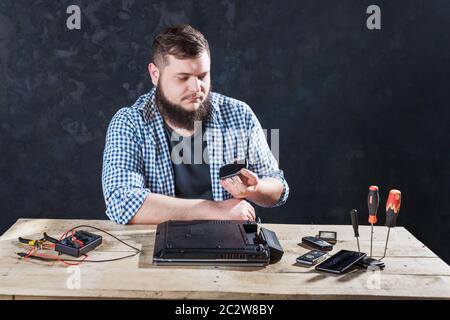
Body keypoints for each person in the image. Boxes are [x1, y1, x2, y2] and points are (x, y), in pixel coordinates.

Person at [102, 24, 289, 225]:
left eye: (202, 76)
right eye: (182, 78)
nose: (196, 87)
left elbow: (279, 189)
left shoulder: (239, 114)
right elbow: (121, 202)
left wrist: (256, 188)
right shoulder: (129, 123)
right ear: (155, 74)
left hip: (230, 245)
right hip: (157, 246)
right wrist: (215, 210)